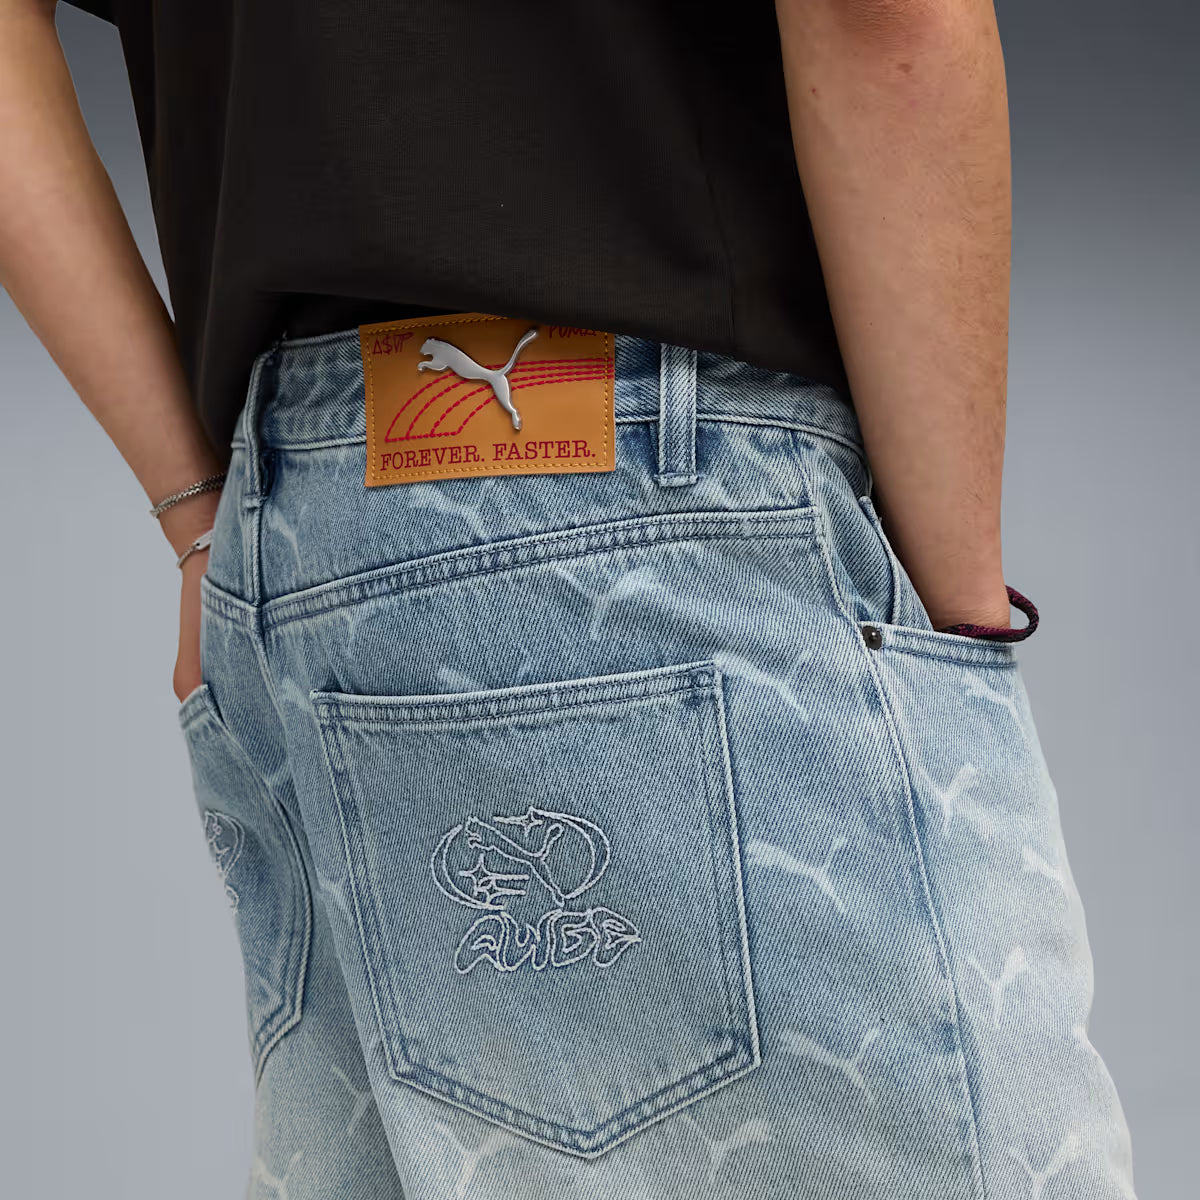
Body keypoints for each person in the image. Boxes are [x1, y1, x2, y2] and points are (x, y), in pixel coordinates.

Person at [0, 1, 1139, 1197]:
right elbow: (882, 18)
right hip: (653, 527)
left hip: (303, 541)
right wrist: (952, 629)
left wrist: (201, 520)